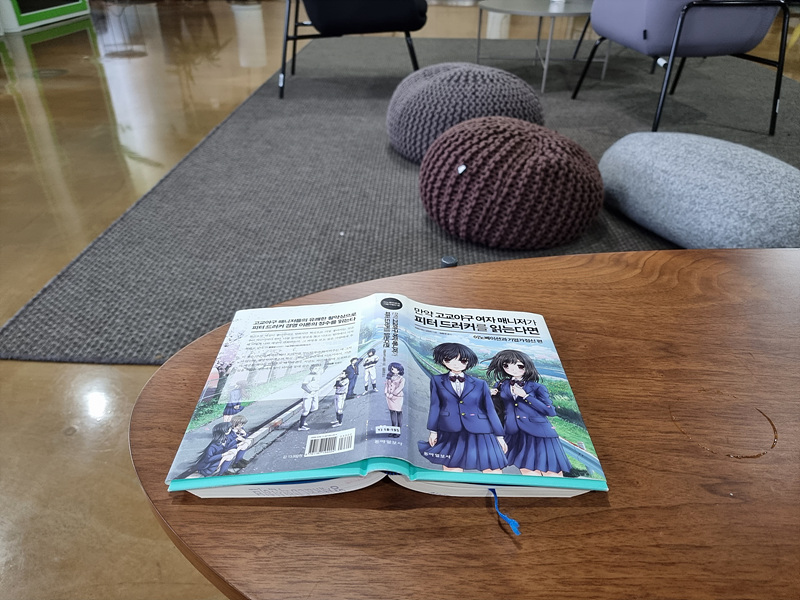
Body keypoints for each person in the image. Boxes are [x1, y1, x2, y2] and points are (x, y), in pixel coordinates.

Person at [419, 342, 507, 472]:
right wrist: (433, 431)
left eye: (462, 360)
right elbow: (435, 405)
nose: (456, 364)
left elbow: (490, 410)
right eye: (449, 359)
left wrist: (499, 436)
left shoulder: (480, 383)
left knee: (492, 468)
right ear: (442, 360)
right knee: (452, 467)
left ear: (468, 362)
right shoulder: (437, 380)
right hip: (450, 428)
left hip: (480, 429)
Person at [487, 349, 572, 476]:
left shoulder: (537, 387)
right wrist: (487, 395)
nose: (513, 369)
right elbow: (496, 408)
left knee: (551, 471)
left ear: (527, 366)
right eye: (507, 365)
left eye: (519, 366)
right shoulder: (501, 385)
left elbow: (550, 410)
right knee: (527, 471)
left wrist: (526, 396)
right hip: (514, 432)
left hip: (539, 433)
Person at [384, 362, 405, 437]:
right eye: (392, 368)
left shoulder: (402, 379)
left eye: (395, 369)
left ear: (399, 370)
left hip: (397, 397)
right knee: (392, 412)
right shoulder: (389, 377)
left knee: (399, 412)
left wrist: (393, 394)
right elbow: (386, 386)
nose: (393, 370)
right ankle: (393, 430)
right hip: (389, 397)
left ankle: (398, 431)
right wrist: (386, 393)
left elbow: (400, 388)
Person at [298, 365, 321, 431]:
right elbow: (303, 386)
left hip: (315, 393)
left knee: (315, 408)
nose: (317, 370)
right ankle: (301, 426)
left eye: (318, 368)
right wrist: (310, 392)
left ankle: (303, 420)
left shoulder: (317, 375)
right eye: (315, 368)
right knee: (306, 410)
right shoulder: (308, 377)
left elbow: (324, 369)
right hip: (308, 394)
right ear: (311, 369)